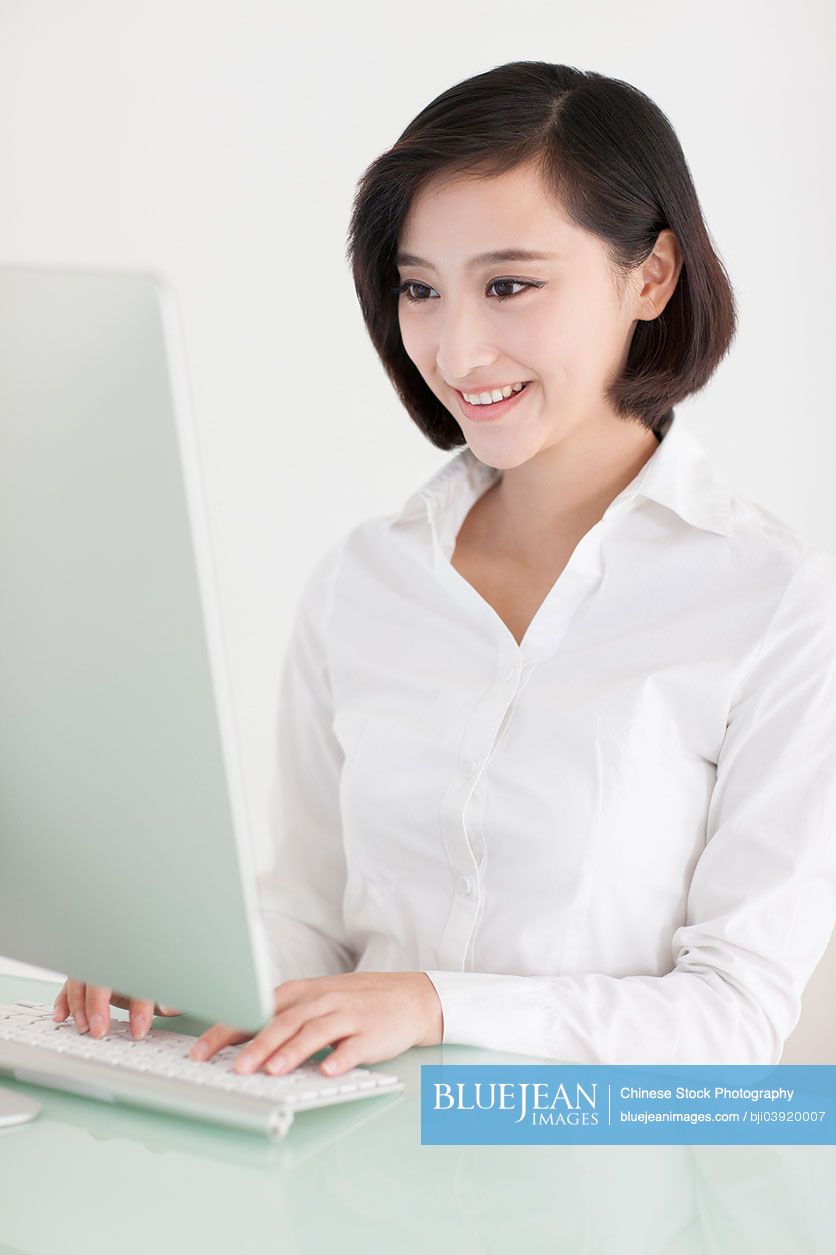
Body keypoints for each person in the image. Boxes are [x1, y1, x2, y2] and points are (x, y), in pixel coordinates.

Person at [55, 60, 836, 1075]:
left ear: (648, 275)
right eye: (419, 288)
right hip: (350, 1178)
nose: (456, 348)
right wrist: (180, 970)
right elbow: (312, 923)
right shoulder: (362, 581)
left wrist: (434, 1006)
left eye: (508, 285)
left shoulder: (770, 600)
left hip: (601, 1208)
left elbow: (733, 1020)